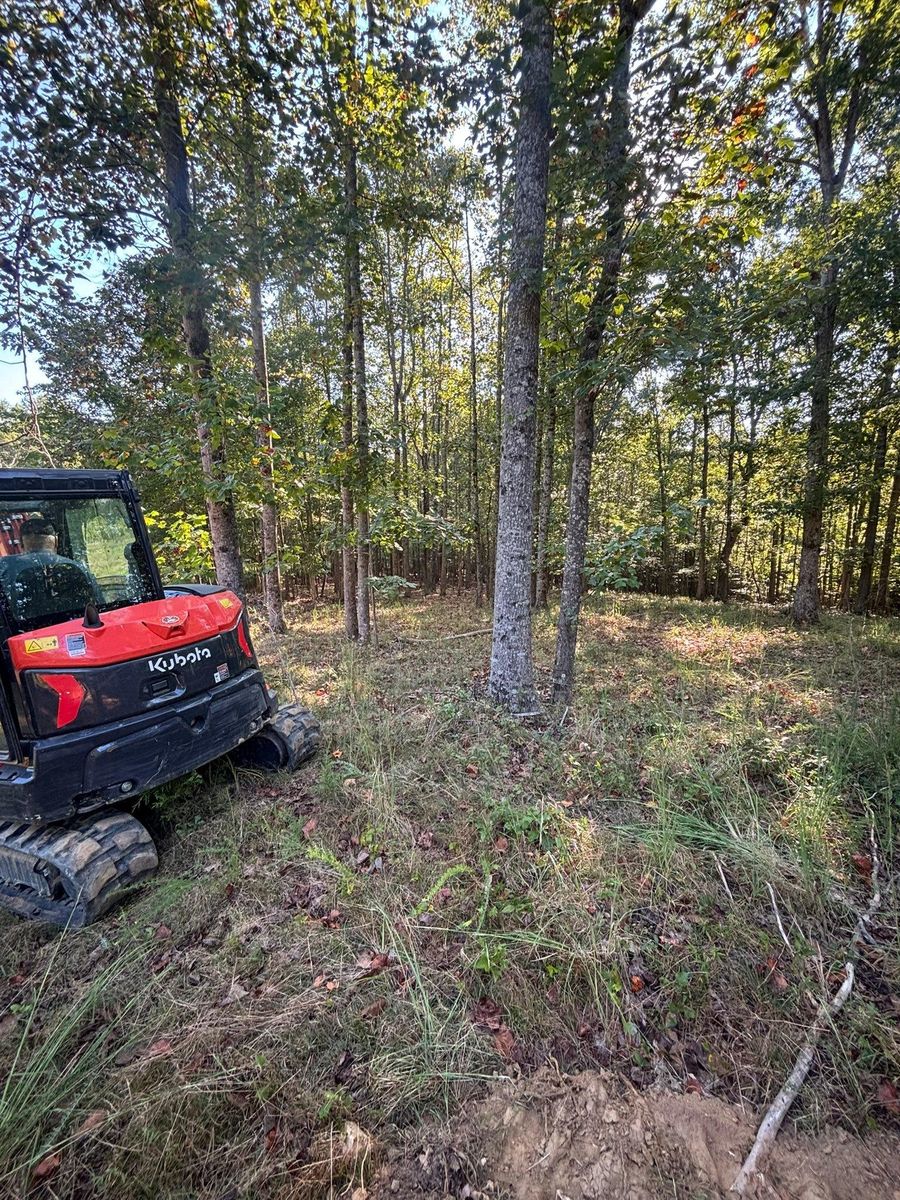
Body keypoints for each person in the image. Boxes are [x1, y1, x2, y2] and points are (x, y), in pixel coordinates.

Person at [0, 517, 102, 626]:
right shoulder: (78, 568)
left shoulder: (4, 568)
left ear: (21, 542)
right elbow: (99, 607)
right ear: (56, 541)